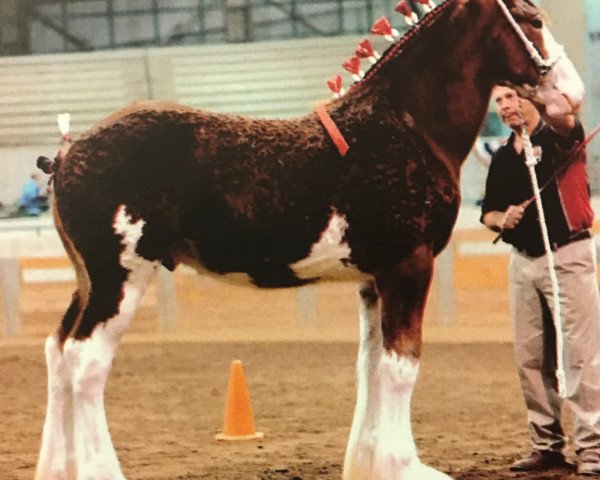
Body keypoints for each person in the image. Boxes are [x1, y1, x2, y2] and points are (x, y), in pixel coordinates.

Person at [481, 85, 600, 476]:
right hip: (524, 263)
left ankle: (592, 450)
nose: (506, 106)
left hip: (568, 255)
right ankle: (546, 447)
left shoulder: (561, 136)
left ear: (532, 100)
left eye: (513, 97)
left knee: (581, 355)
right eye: (500, 101)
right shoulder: (502, 157)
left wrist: (550, 93)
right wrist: (503, 219)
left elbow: (566, 117)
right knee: (530, 359)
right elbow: (489, 214)